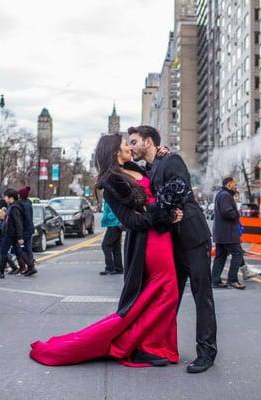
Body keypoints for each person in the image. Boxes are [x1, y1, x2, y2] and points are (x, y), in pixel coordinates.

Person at [30, 134, 182, 367]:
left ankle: (152, 345)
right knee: (167, 290)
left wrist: (160, 158)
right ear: (114, 152)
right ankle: (134, 345)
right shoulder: (112, 182)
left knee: (157, 295)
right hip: (148, 240)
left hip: (162, 235)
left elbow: (158, 186)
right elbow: (131, 221)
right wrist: (163, 215)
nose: (130, 147)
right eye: (125, 144)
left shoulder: (136, 169)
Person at [128, 125, 217, 374]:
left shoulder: (171, 160)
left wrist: (153, 210)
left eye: (134, 141)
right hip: (172, 241)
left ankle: (207, 352)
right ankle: (156, 346)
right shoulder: (152, 165)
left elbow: (178, 189)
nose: (131, 146)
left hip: (193, 236)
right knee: (169, 297)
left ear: (148, 141)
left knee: (202, 295)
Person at [211, 177, 248, 289]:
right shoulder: (226, 196)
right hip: (228, 233)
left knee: (221, 256)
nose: (235, 186)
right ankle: (232, 280)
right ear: (229, 184)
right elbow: (228, 213)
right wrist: (236, 213)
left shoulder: (221, 194)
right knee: (238, 253)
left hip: (222, 233)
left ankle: (215, 280)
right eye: (234, 184)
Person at [0, 188, 36, 278]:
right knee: (19, 252)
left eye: (6, 196)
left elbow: (18, 223)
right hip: (12, 233)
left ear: (11, 198)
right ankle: (31, 267)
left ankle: (0, 273)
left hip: (11, 234)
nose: (4, 198)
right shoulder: (13, 206)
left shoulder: (15, 207)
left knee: (3, 251)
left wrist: (20, 237)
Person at [99, 200, 123, 275]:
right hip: (115, 224)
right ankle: (118, 268)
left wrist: (109, 217)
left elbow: (114, 209)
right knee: (116, 247)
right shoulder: (111, 194)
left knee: (105, 245)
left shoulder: (111, 195)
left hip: (113, 223)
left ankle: (110, 267)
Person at [0, 208, 19, 274]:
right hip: (1, 242)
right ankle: (14, 267)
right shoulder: (3, 223)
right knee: (1, 255)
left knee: (0, 255)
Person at [18, 186, 35, 272]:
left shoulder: (23, 204)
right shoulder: (28, 203)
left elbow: (26, 218)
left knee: (21, 249)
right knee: (28, 248)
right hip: (30, 229)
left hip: (26, 230)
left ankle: (30, 266)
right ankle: (30, 267)